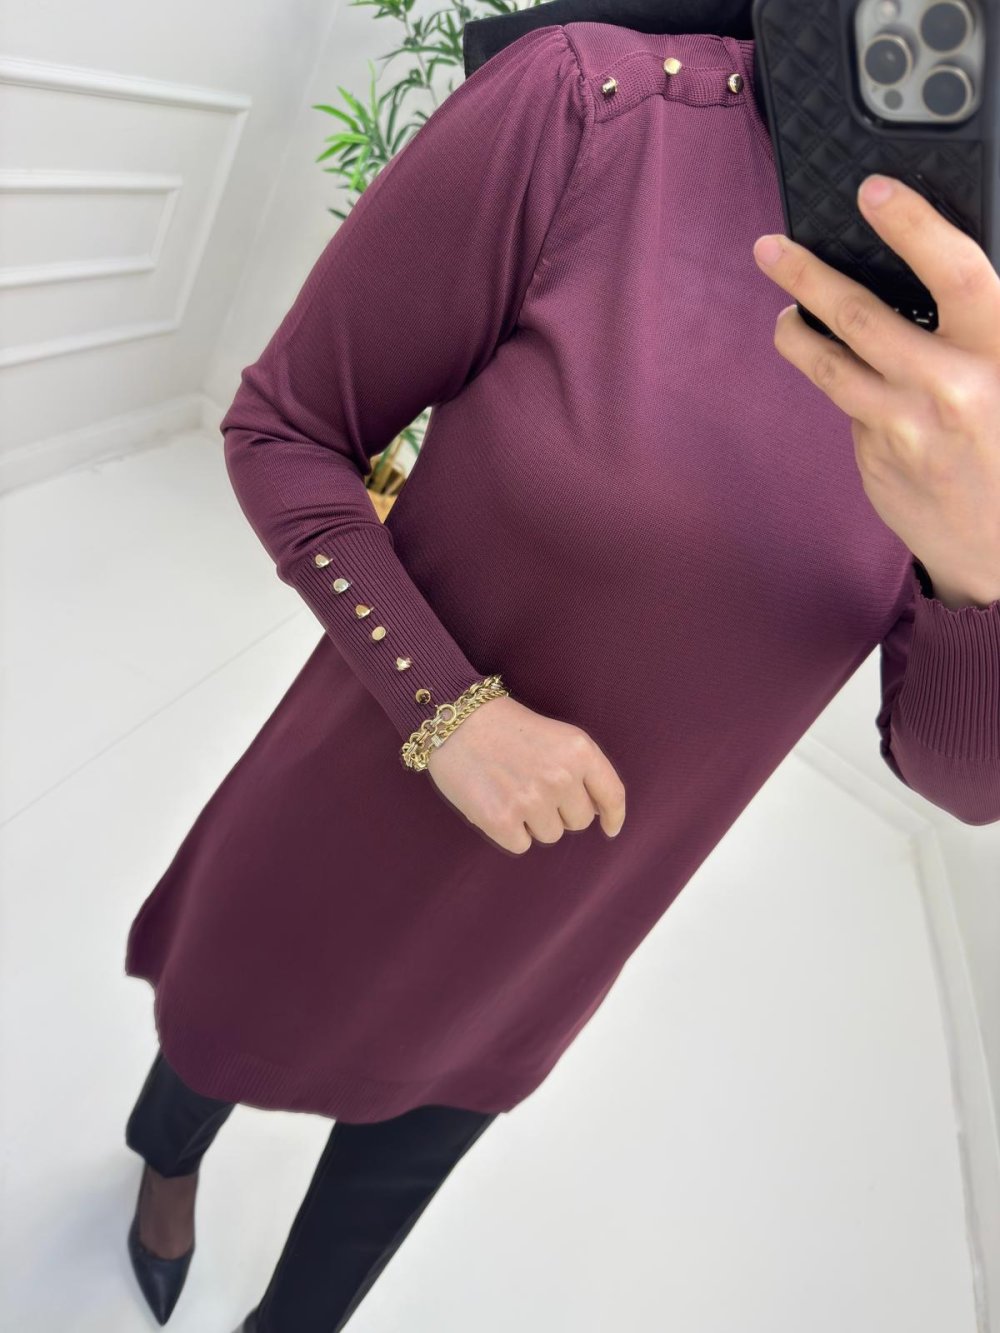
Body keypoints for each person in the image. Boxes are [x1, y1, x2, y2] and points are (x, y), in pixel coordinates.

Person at [123, 2, 1000, 1329]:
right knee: (225, 1022)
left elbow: (960, 778)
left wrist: (978, 567)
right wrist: (447, 711)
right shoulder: (599, 114)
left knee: (415, 1139)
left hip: (572, 904)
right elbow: (289, 429)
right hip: (364, 789)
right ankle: (166, 1166)